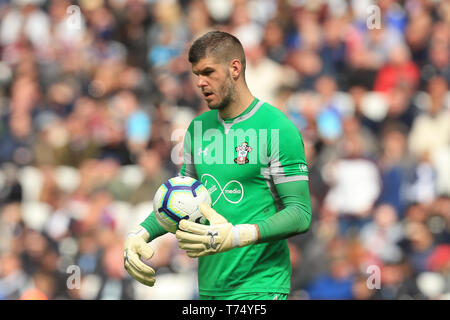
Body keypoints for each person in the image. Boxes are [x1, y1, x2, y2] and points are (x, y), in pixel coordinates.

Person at [123, 31, 312, 300]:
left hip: (258, 286)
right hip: (209, 288)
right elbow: (179, 200)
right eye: (196, 74)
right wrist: (140, 234)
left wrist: (236, 236)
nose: (200, 82)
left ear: (235, 68)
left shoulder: (277, 127)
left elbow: (300, 213)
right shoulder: (197, 128)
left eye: (208, 72)